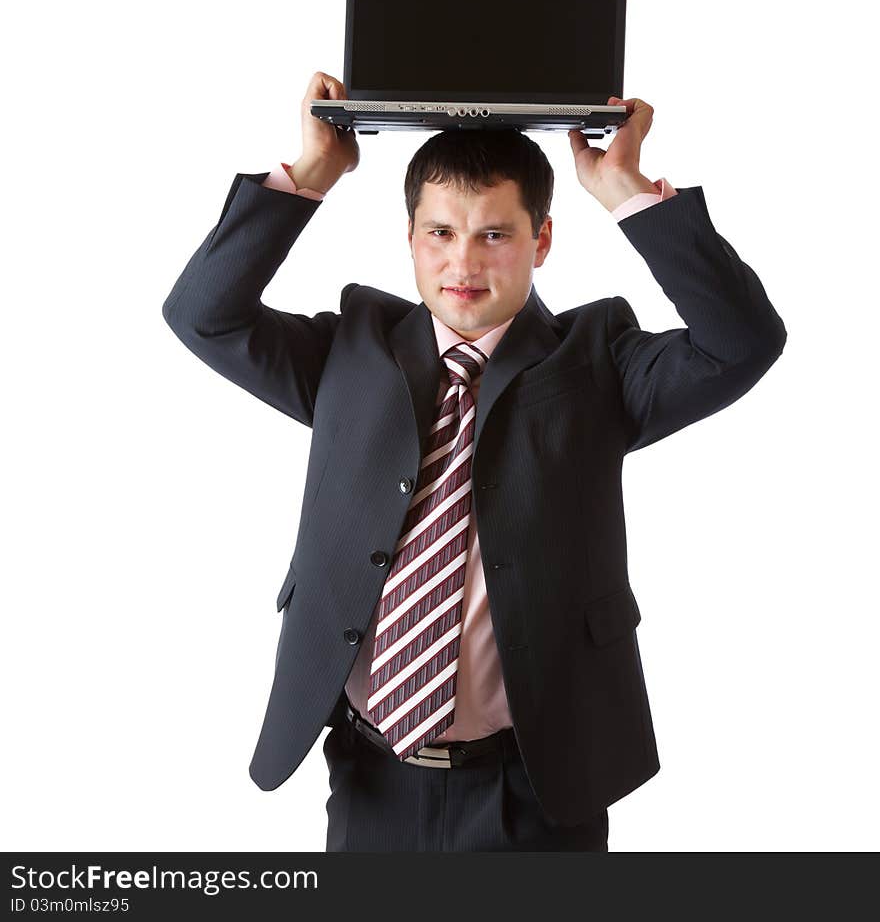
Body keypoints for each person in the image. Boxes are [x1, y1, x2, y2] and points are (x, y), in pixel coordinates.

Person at [162, 71, 786, 852]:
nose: (464, 262)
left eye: (494, 233)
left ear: (542, 240)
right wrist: (311, 174)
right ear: (411, 238)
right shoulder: (350, 351)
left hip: (532, 790)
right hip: (370, 777)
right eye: (440, 233)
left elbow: (744, 340)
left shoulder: (596, 365)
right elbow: (202, 314)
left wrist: (626, 189)